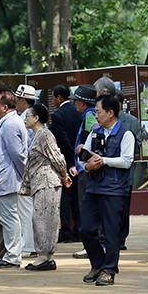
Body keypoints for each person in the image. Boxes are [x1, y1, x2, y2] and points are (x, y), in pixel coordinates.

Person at [79, 94, 135, 286]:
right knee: (86, 228)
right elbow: (82, 160)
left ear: (111, 113)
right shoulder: (95, 132)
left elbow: (127, 161)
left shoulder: (126, 134)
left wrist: (103, 161)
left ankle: (109, 270)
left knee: (111, 232)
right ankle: (97, 264)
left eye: (98, 111)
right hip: (94, 187)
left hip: (114, 189)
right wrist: (88, 166)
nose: (96, 115)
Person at [21, 104, 72, 271]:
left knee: (43, 220)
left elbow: (57, 158)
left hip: (47, 183)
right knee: (42, 218)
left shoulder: (44, 135)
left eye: (28, 116)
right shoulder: (38, 135)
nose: (25, 119)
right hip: (40, 183)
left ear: (36, 118)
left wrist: (65, 175)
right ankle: (46, 256)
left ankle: (44, 256)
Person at [0, 87, 28, 269]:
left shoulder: (10, 124)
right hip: (6, 178)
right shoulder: (7, 122)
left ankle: (13, 256)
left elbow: (18, 155)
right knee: (7, 218)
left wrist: (22, 175)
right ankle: (11, 254)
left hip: (7, 178)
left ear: (5, 107)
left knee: (9, 218)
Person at [49, 85, 83, 243]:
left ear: (58, 97)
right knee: (78, 196)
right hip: (80, 160)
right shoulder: (78, 112)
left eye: (54, 97)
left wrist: (70, 161)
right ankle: (79, 229)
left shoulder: (57, 116)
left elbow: (62, 141)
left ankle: (66, 231)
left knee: (66, 198)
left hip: (66, 161)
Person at [69, 84, 99, 259]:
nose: (75, 105)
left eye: (76, 101)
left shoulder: (88, 116)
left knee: (86, 206)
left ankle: (90, 245)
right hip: (85, 167)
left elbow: (94, 134)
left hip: (86, 168)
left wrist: (85, 150)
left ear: (82, 102)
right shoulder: (89, 114)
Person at [113, 89, 142, 250]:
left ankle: (121, 239)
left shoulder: (132, 121)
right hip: (107, 171)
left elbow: (137, 144)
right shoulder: (102, 120)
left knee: (123, 207)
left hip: (125, 172)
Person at [14, 84, 38, 258]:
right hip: (33, 168)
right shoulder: (33, 117)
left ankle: (28, 244)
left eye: (17, 99)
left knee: (25, 208)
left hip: (26, 168)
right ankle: (31, 242)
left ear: (23, 100)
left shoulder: (24, 119)